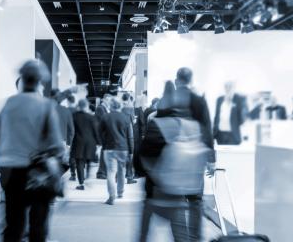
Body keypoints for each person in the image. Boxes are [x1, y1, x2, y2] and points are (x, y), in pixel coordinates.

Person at [0, 60, 65, 242]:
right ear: (41, 81)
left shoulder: (8, 104)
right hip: (37, 173)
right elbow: (56, 145)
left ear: (22, 79)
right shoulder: (45, 105)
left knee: (13, 224)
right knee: (38, 226)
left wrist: (0, 164)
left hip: (10, 171)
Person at [138, 80, 216, 242]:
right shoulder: (194, 127)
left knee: (145, 231)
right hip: (182, 191)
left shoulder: (157, 123)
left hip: (157, 191)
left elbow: (140, 159)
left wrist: (147, 172)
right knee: (181, 233)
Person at [99, 97, 134, 205]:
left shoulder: (105, 117)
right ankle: (120, 192)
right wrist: (131, 150)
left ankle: (111, 197)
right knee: (121, 171)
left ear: (110, 106)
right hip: (123, 148)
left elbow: (100, 133)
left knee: (111, 172)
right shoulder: (126, 118)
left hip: (109, 148)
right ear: (120, 106)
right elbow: (130, 136)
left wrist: (102, 145)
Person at [70, 99, 101, 190]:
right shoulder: (91, 117)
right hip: (90, 143)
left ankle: (81, 183)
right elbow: (96, 131)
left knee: (79, 163)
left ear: (78, 106)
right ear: (86, 106)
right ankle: (88, 177)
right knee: (89, 161)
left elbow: (72, 130)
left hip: (78, 142)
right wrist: (99, 143)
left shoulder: (74, 116)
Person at [213, 81, 248, 145]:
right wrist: (214, 133)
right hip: (220, 134)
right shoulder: (219, 99)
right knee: (220, 154)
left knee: (231, 154)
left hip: (233, 135)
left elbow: (242, 120)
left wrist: (233, 102)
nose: (228, 88)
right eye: (226, 86)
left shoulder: (239, 99)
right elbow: (216, 117)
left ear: (234, 88)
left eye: (230, 87)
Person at [51, 89, 75, 173]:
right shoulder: (66, 111)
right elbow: (72, 130)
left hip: (48, 143)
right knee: (62, 165)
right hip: (62, 142)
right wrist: (69, 145)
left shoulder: (46, 109)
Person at [96, 93, 114, 179]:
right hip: (103, 134)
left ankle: (102, 172)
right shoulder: (100, 108)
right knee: (103, 153)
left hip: (105, 134)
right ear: (105, 99)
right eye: (110, 100)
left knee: (104, 153)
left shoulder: (104, 108)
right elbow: (104, 120)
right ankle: (101, 172)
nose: (110, 102)